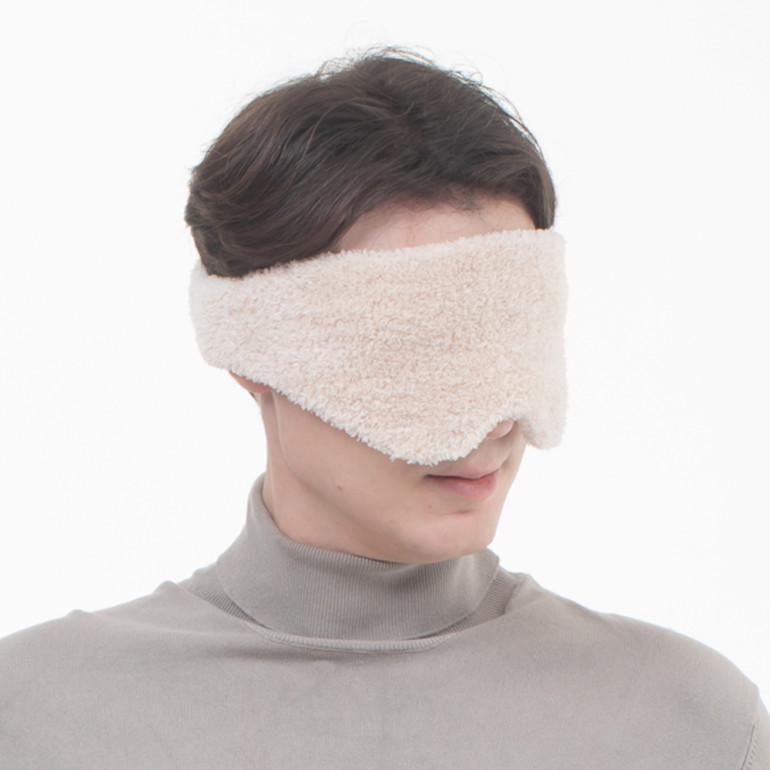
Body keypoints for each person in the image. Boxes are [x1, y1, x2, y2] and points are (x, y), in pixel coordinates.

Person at [0, 49, 767, 769]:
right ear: (250, 352)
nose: (496, 418)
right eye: (415, 347)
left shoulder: (688, 724)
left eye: (514, 338)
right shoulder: (39, 716)